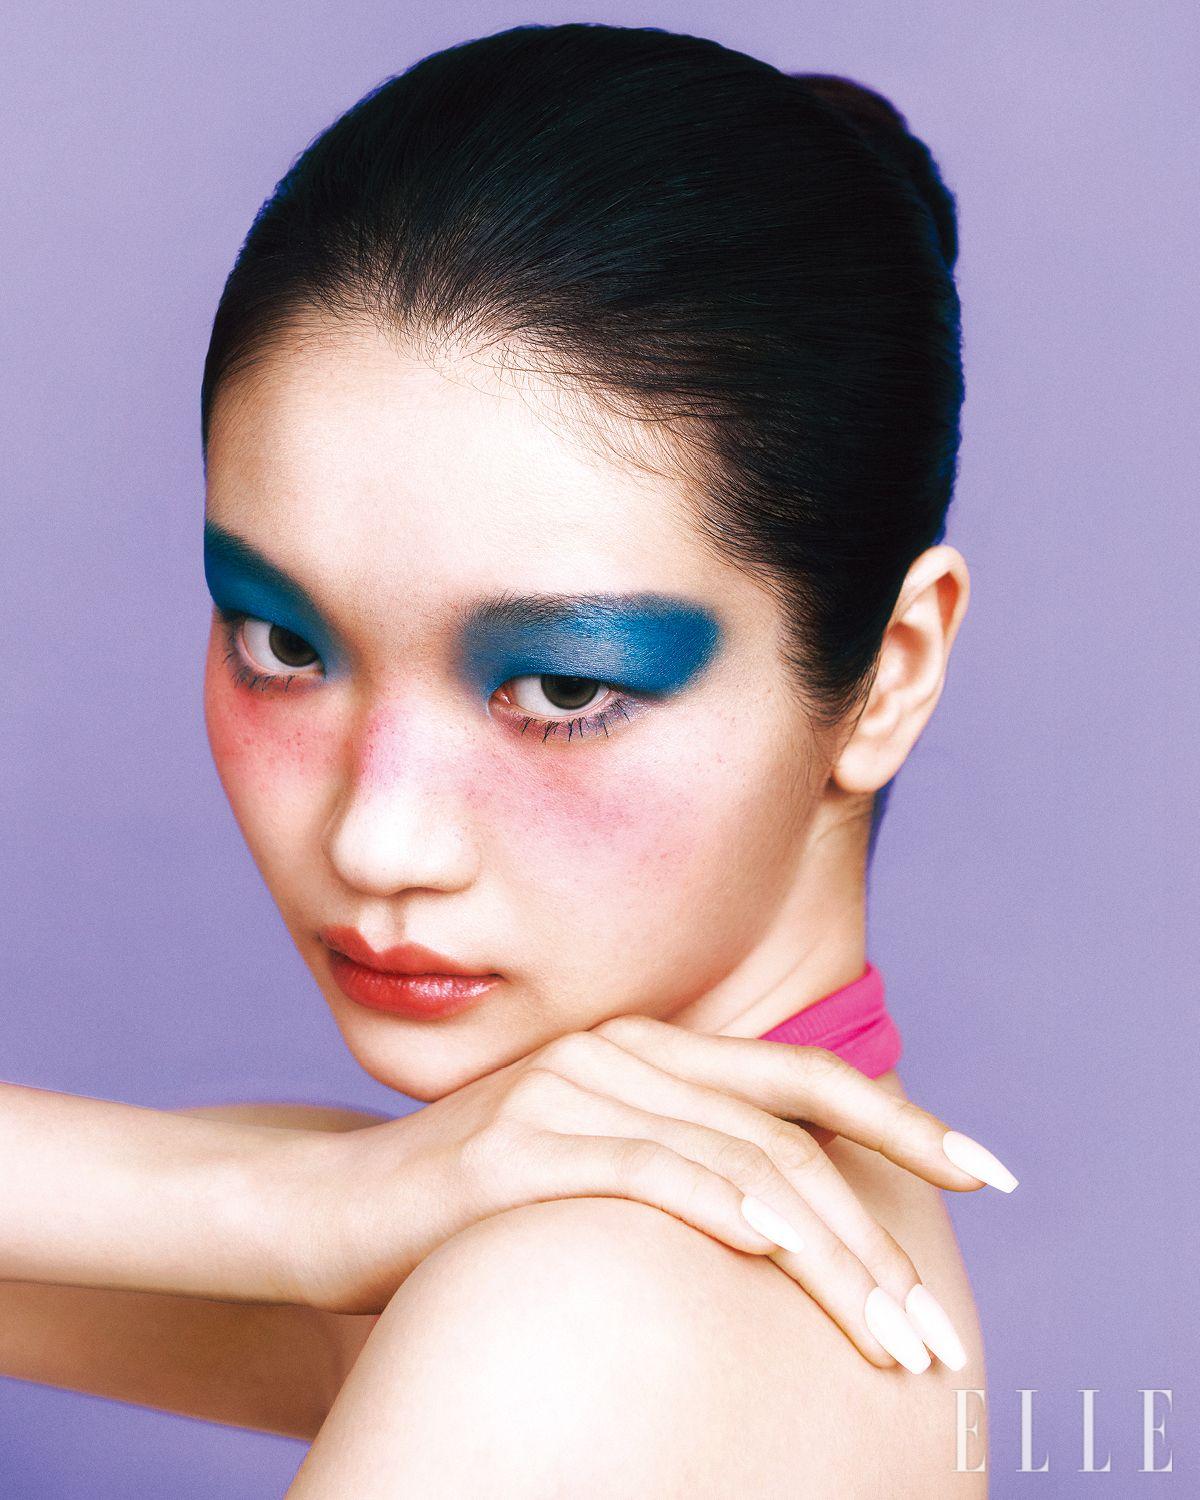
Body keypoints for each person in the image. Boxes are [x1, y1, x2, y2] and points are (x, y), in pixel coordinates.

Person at [1, 21, 1019, 1495]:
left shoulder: (577, 1317)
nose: (377, 839)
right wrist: (296, 1203)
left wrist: (300, 1204)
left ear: (890, 674)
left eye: (561, 685)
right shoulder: (604, 1249)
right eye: (284, 642)